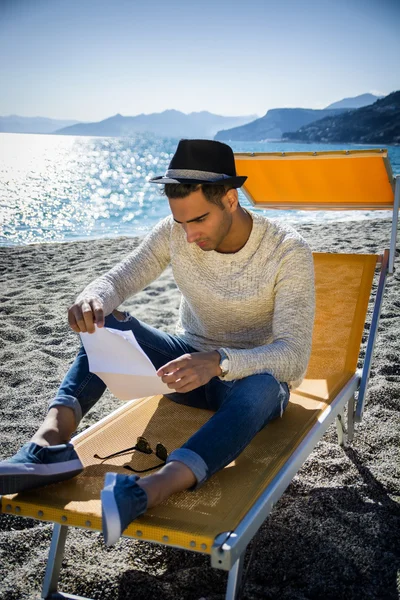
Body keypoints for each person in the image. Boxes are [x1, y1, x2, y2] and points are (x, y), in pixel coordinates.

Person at [0, 139, 315, 546]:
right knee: (105, 321)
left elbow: (294, 357)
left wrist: (218, 361)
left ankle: (150, 490)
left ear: (231, 200)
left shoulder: (287, 251)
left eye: (198, 220)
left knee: (264, 385)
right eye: (180, 223)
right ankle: (47, 445)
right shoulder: (174, 232)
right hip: (183, 371)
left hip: (251, 380)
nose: (187, 236)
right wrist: (92, 298)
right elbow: (118, 279)